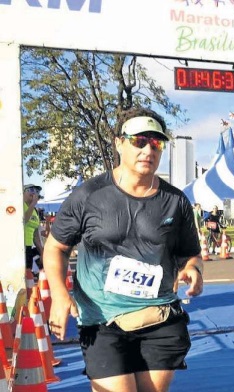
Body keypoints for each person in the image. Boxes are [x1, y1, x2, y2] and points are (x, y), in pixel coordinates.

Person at [42, 106, 203, 392]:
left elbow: (190, 253)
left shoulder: (176, 201)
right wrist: (58, 293)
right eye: (139, 141)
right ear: (118, 142)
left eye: (156, 143)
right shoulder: (89, 195)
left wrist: (193, 269)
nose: (148, 150)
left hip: (158, 317)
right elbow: (56, 247)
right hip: (102, 320)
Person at [23, 184, 44, 271]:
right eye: (31, 190)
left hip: (28, 246)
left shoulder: (35, 210)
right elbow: (24, 220)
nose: (34, 193)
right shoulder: (20, 205)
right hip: (20, 246)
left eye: (37, 192)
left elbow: (36, 235)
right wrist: (33, 204)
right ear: (24, 192)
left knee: (28, 273)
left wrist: (42, 253)